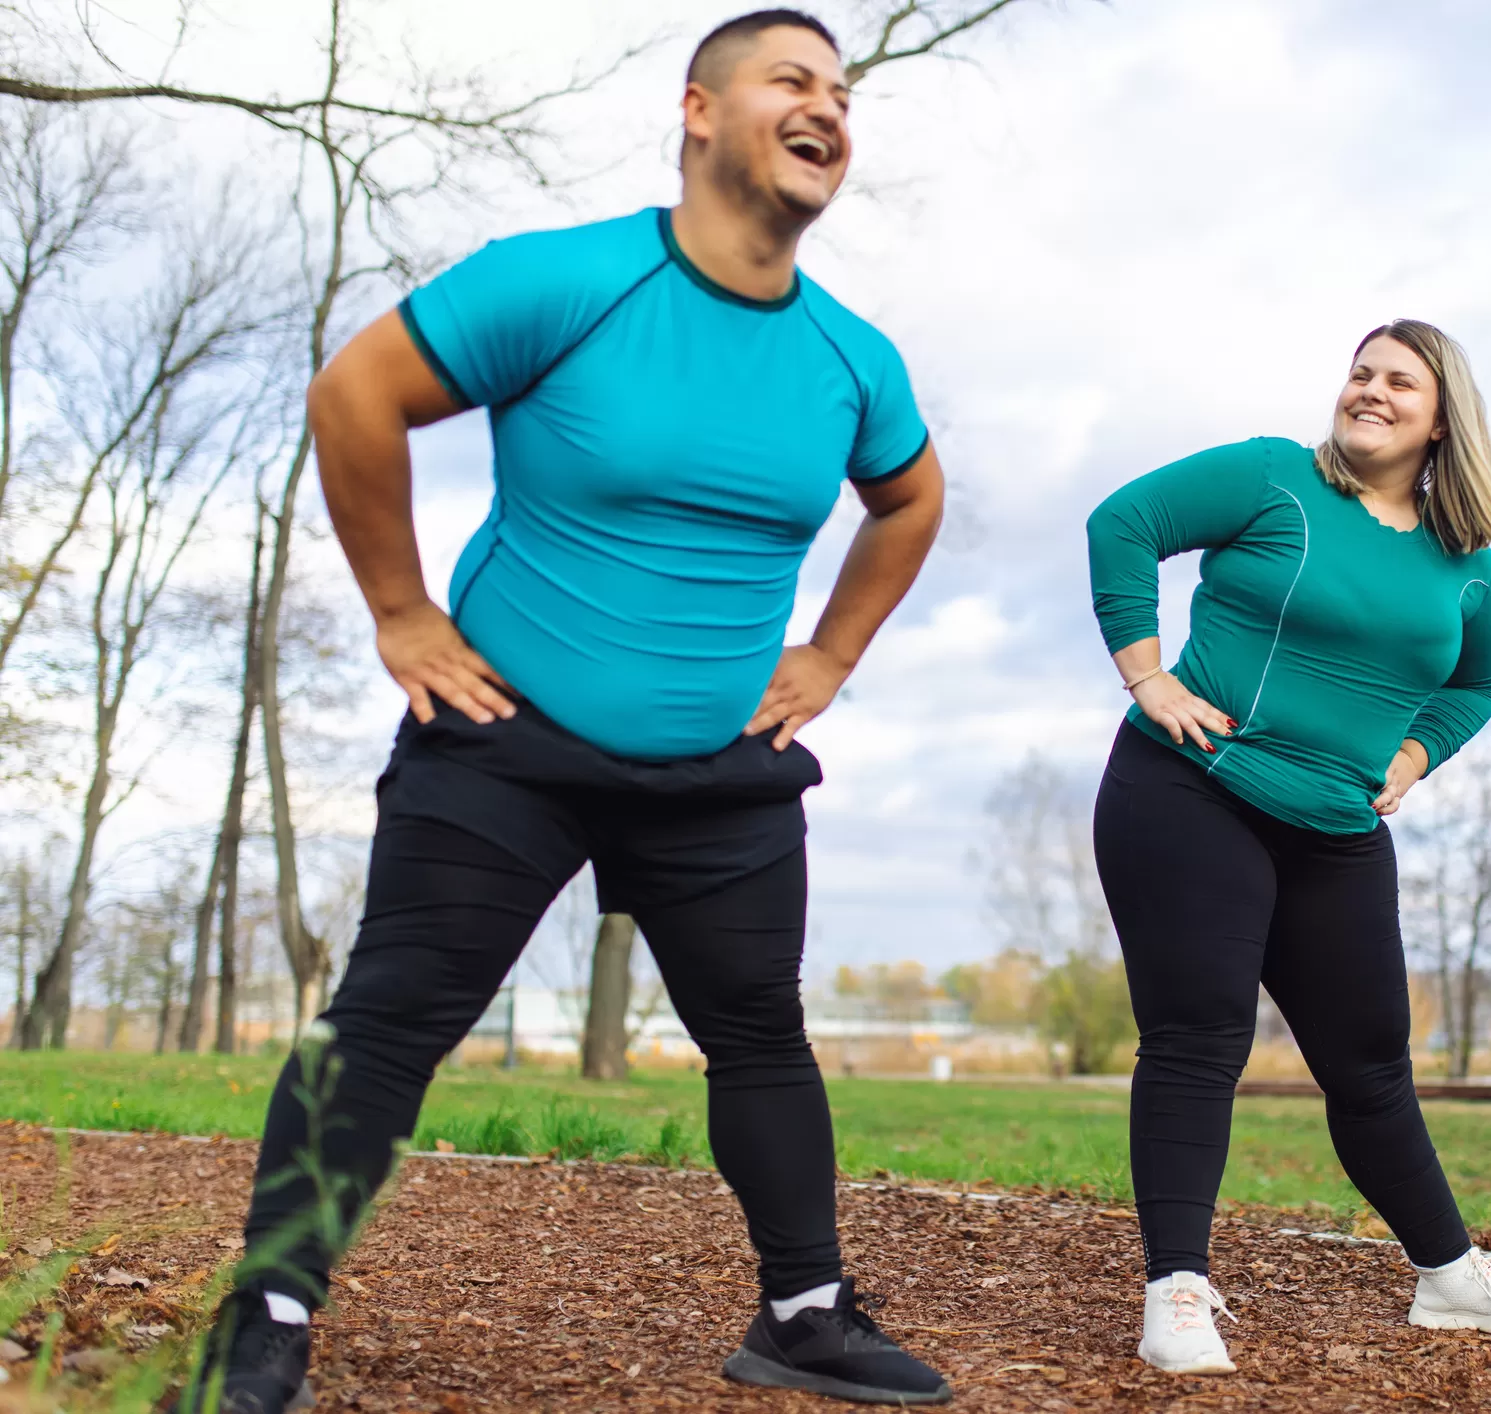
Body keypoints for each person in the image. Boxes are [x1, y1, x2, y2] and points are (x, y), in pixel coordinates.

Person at [185, 11, 953, 1411]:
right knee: (390, 1015)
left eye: (842, 93)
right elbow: (356, 392)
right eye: (793, 79)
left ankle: (805, 1312)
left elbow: (910, 495)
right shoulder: (567, 281)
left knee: (760, 1034)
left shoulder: (852, 357)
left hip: (722, 768)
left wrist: (832, 653)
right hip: (507, 743)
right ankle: (270, 1309)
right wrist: (404, 612)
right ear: (700, 110)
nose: (828, 108)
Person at [1083, 320, 1491, 1376]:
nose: (1372, 391)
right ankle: (1177, 1289)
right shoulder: (1271, 478)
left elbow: (1478, 680)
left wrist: (1415, 751)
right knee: (1200, 1034)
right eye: (1362, 372)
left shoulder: (1465, 561)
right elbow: (1123, 522)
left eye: (1401, 381)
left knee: (1370, 1063)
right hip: (1191, 787)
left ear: (1444, 420)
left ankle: (1448, 1276)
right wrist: (1147, 676)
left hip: (1338, 824)